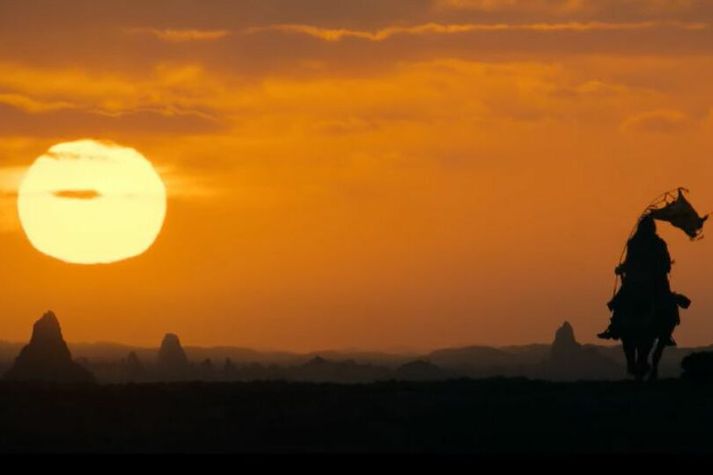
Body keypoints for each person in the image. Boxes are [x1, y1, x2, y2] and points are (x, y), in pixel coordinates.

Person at [598, 214, 679, 345]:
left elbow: (630, 263)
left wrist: (621, 268)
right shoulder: (656, 243)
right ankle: (666, 334)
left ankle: (614, 327)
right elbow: (666, 265)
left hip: (641, 282)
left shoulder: (636, 243)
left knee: (621, 301)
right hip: (648, 282)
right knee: (665, 303)